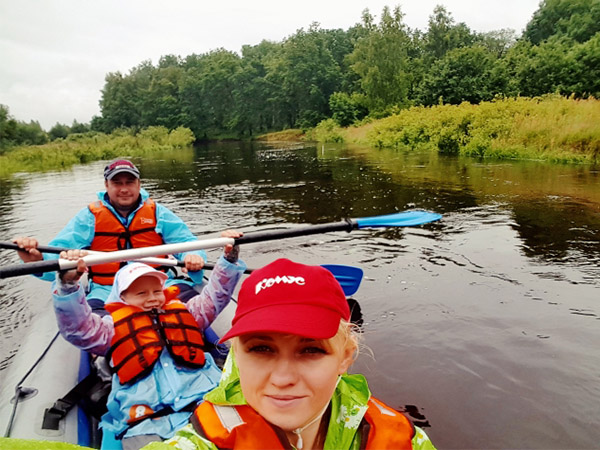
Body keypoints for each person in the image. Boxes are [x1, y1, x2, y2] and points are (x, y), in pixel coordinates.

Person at [146, 258, 436, 450]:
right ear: (236, 355)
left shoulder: (397, 438)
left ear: (346, 356)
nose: (283, 378)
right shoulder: (207, 440)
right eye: (261, 348)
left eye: (310, 350)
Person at [53, 230, 246, 450]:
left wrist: (229, 260)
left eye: (157, 291)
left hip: (204, 399)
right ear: (122, 298)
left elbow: (215, 296)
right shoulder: (110, 328)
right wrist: (68, 285)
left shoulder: (187, 313)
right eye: (141, 293)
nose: (152, 298)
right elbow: (78, 329)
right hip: (146, 419)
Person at [13, 158, 207, 315]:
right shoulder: (89, 217)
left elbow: (186, 242)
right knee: (98, 324)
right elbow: (58, 256)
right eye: (117, 183)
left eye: (129, 182)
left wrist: (194, 256)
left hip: (159, 285)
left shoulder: (159, 213)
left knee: (192, 311)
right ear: (107, 185)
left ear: (139, 184)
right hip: (107, 290)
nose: (124, 189)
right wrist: (36, 259)